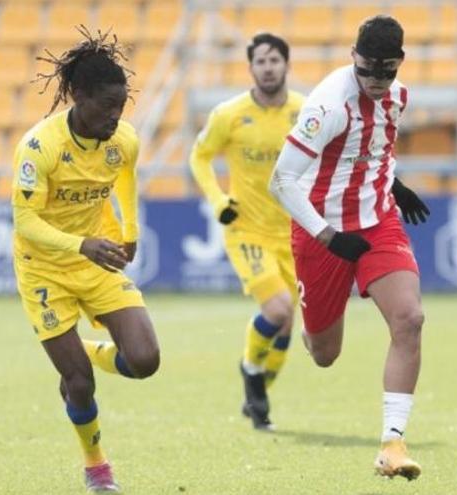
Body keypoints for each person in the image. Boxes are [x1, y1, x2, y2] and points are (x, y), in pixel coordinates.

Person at [269, 15, 430, 480]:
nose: (377, 82)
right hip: (322, 230)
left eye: (387, 72)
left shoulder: (398, 96)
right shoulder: (328, 106)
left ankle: (393, 444)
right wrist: (328, 236)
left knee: (410, 319)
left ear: (400, 64)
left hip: (378, 222)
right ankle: (310, 322)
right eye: (367, 71)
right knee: (324, 353)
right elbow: (281, 181)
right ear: (352, 58)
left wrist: (394, 186)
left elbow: (374, 150)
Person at [11, 27, 159, 493]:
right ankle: (97, 469)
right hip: (44, 267)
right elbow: (25, 221)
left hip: (95, 261)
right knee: (78, 383)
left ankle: (91, 351)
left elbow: (127, 176)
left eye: (121, 107)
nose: (115, 117)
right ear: (78, 96)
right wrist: (80, 245)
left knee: (145, 360)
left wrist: (129, 232)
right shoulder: (40, 148)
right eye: (106, 107)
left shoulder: (123, 140)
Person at [190, 33, 304, 431]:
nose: (268, 67)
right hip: (248, 231)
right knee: (277, 310)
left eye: (275, 60)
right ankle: (251, 372)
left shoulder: (306, 112)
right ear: (251, 67)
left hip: (294, 234)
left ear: (286, 65)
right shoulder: (229, 115)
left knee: (287, 328)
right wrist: (218, 201)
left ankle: (258, 389)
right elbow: (200, 157)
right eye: (261, 61)